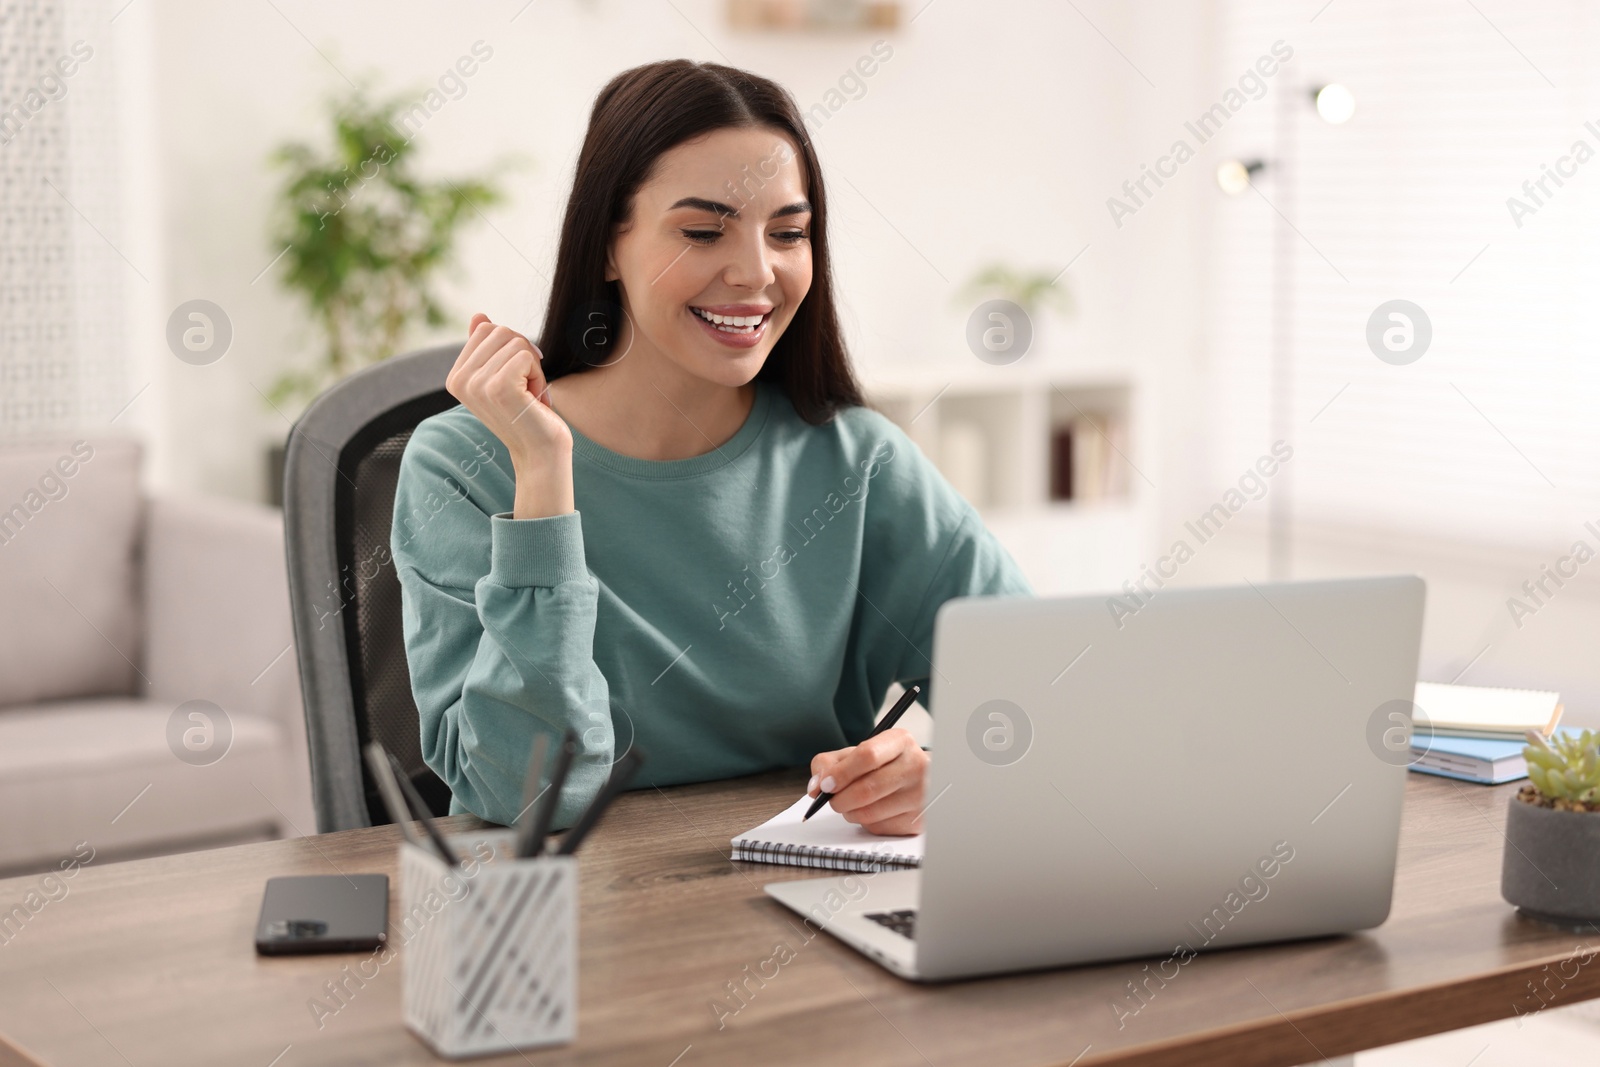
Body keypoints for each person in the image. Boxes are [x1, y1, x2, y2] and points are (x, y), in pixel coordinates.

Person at [391, 59, 1031, 836]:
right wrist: (542, 479)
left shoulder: (855, 462)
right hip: (556, 927)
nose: (756, 272)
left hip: (796, 910)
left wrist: (950, 773)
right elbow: (528, 794)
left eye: (789, 233)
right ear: (605, 246)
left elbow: (1042, 699)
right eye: (703, 231)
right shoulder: (464, 464)